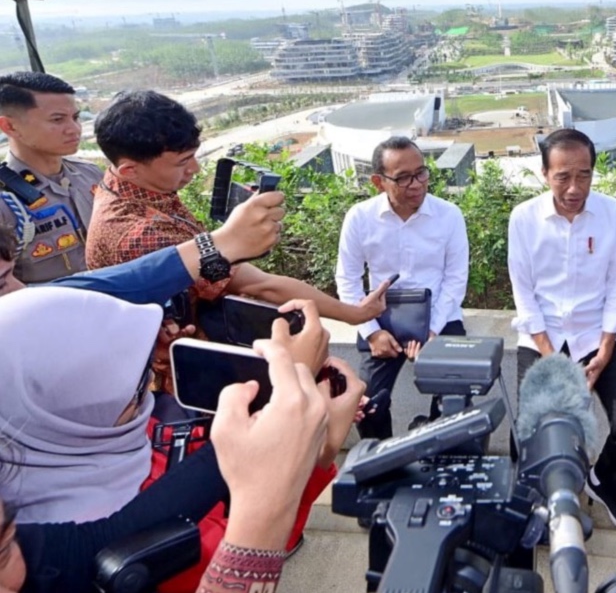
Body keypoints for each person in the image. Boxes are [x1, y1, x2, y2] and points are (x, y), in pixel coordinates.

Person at [0, 287, 364, 590]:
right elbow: (238, 543)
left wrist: (311, 449)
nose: (157, 381)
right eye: (141, 380)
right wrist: (286, 397)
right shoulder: (96, 551)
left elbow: (253, 520)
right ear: (64, 414)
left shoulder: (120, 445)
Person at [83, 90, 386, 386]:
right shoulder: (143, 233)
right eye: (182, 162)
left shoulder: (130, 188)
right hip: (182, 377)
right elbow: (260, 284)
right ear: (130, 169)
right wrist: (354, 313)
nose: (195, 169)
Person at [507, 128, 616, 533]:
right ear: (544, 173)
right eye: (562, 176)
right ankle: (534, 499)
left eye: (583, 175)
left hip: (599, 335)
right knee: (531, 429)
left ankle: (605, 481)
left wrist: (605, 351)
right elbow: (525, 294)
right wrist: (552, 359)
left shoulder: (614, 214)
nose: (574, 187)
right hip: (543, 339)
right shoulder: (523, 218)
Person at [336, 136, 469, 440]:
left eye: (421, 173)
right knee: (367, 404)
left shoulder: (449, 215)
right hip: (382, 318)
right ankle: (383, 465)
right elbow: (347, 279)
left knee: (456, 398)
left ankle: (434, 453)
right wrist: (372, 331)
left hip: (438, 316)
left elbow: (456, 279)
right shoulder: (359, 218)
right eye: (403, 177)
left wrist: (432, 331)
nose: (416, 184)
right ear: (378, 182)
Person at [0, 190, 284, 303]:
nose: (21, 289)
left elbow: (95, 287)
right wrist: (220, 244)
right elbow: (123, 283)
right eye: (2, 284)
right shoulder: (137, 230)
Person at [0, 72, 100, 285]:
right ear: (10, 126)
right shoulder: (5, 202)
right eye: (57, 119)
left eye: (75, 117)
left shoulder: (91, 174)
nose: (74, 129)